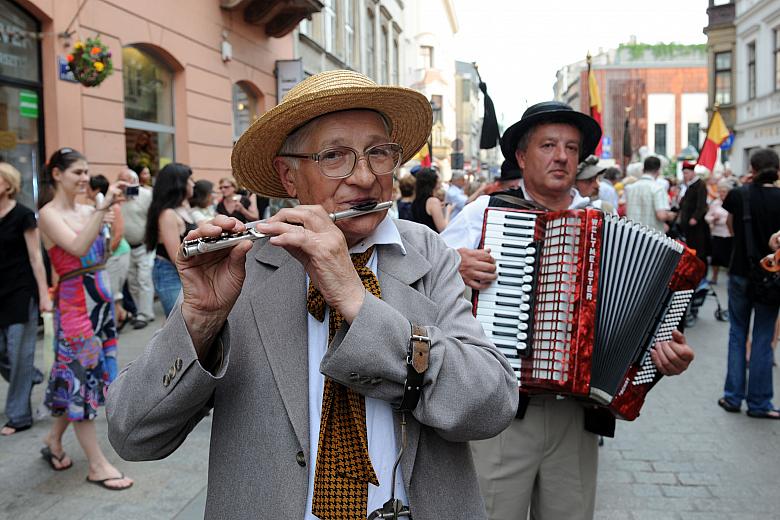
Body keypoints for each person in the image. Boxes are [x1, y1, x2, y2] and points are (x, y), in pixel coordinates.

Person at [106, 69, 517, 520]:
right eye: (335, 156)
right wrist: (200, 321)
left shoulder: (428, 253)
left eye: (378, 152)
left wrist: (356, 300)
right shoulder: (242, 266)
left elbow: (491, 405)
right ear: (289, 176)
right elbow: (132, 435)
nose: (364, 176)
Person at [441, 101, 694, 520]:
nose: (561, 156)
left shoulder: (603, 221)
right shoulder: (484, 213)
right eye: (548, 146)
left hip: (579, 417)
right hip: (502, 411)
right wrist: (455, 267)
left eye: (572, 148)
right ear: (521, 157)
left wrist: (666, 356)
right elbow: (422, 278)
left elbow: (643, 322)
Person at [37, 148, 133, 490]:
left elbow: (100, 253)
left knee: (83, 374)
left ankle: (53, 439)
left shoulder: (86, 208)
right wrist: (102, 210)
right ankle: (96, 464)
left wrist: (103, 219)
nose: (83, 178)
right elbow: (76, 249)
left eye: (85, 171)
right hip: (76, 307)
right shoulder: (47, 214)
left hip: (100, 303)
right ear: (57, 174)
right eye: (77, 172)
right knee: (82, 380)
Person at [718, 148, 780, 419]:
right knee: (764, 338)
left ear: (752, 168)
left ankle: (732, 397)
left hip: (741, 270)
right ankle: (759, 403)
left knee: (737, 333)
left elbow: (730, 226)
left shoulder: (739, 194)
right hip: (772, 276)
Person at [0, 163, 52, 435]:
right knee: (5, 354)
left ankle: (18, 415)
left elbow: (36, 257)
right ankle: (29, 377)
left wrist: (44, 293)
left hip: (20, 292)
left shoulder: (22, 215)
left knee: (19, 352)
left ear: (8, 185)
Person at [145, 162, 196, 318]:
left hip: (183, 271)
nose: (193, 184)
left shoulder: (181, 208)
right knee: (178, 321)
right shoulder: (167, 214)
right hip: (170, 272)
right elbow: (176, 256)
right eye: (190, 180)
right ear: (179, 184)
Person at [87, 174, 132, 331]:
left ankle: (115, 321)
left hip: (117, 254)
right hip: (110, 256)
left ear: (96, 190)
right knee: (113, 291)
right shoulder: (96, 209)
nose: (85, 190)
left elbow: (118, 234)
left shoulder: (114, 208)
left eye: (88, 187)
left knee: (111, 291)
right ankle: (121, 316)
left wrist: (106, 255)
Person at [118, 167, 154, 330]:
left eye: (129, 181)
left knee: (144, 278)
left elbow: (153, 218)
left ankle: (144, 314)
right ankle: (141, 311)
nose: (125, 184)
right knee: (132, 281)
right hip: (125, 247)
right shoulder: (117, 198)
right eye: (122, 180)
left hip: (143, 245)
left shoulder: (146, 196)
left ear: (135, 182)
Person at [625, 156, 674, 233]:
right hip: (651, 237)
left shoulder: (631, 188)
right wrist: (671, 215)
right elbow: (661, 215)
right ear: (658, 171)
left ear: (643, 170)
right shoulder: (658, 188)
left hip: (633, 235)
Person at [678, 161, 710, 262]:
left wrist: (695, 217)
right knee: (690, 246)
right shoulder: (689, 185)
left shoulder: (700, 184)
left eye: (686, 173)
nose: (685, 175)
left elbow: (702, 204)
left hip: (696, 224)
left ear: (692, 172)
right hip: (688, 223)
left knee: (699, 248)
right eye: (684, 173)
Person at [705, 180, 733, 284]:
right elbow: (707, 217)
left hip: (730, 234)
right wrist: (712, 219)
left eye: (724, 191)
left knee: (730, 257)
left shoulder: (733, 202)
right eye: (720, 191)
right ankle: (714, 277)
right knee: (716, 256)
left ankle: (730, 278)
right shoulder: (715, 203)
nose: (722, 194)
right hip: (717, 233)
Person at [410, 167, 451, 232]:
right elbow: (443, 229)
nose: (440, 179)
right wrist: (448, 211)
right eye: (438, 177)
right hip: (431, 240)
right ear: (433, 181)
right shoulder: (433, 201)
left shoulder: (416, 200)